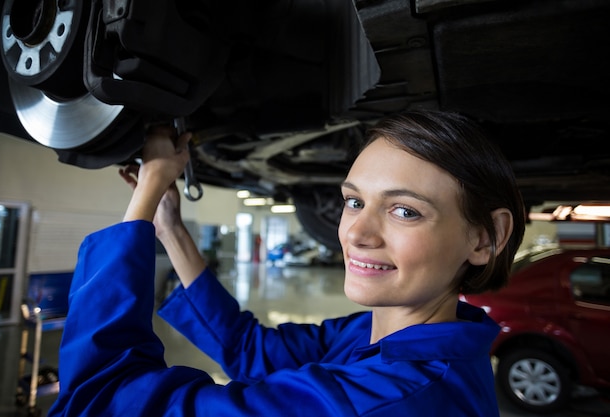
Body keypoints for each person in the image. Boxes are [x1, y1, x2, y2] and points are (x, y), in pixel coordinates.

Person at [48, 110, 526, 417]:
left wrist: (150, 185)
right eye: (354, 202)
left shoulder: (384, 401)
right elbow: (249, 350)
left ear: (486, 238)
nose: (355, 234)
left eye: (405, 211)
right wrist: (168, 224)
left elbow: (100, 401)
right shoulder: (385, 337)